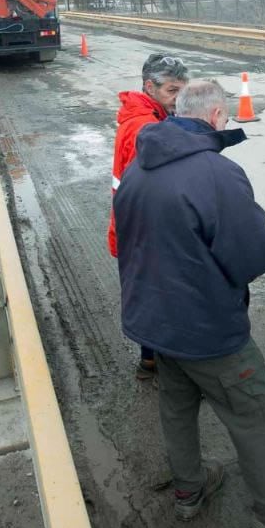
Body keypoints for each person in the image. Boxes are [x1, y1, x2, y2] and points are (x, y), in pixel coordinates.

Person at [114, 81, 265, 528]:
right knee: (251, 413)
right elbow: (251, 255)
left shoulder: (138, 163)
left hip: (157, 323)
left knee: (176, 409)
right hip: (208, 328)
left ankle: (188, 491)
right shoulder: (214, 172)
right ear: (214, 117)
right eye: (226, 117)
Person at [107, 52, 190, 380]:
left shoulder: (145, 117)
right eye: (172, 90)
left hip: (132, 225)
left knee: (146, 293)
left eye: (182, 90)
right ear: (149, 87)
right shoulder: (146, 128)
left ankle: (150, 359)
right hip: (145, 229)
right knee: (156, 295)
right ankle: (157, 361)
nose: (179, 98)